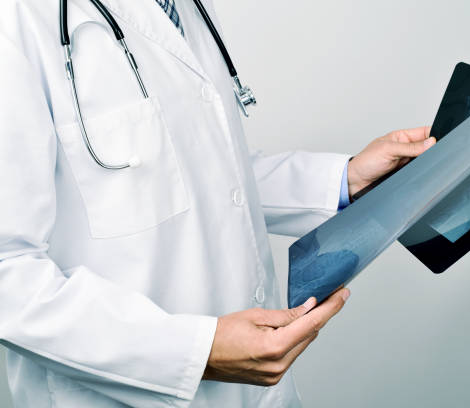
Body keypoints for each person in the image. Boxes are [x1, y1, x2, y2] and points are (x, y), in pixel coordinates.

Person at [0, 1, 435, 407]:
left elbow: (200, 172)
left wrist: (345, 178)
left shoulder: (181, 7)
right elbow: (8, 275)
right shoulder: (16, 20)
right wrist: (196, 350)